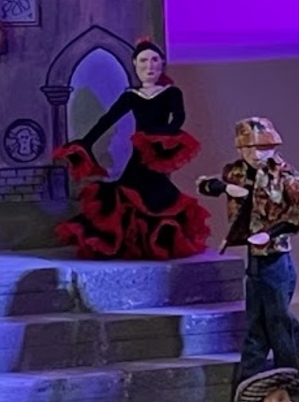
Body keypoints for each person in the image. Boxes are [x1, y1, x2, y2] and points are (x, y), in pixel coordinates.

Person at [198, 118, 299, 402]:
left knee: (279, 326)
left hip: (276, 258)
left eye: (262, 148)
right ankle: (244, 396)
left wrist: (271, 233)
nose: (256, 154)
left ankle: (296, 393)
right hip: (255, 259)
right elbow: (205, 185)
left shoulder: (283, 175)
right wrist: (225, 187)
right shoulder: (235, 172)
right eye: (249, 148)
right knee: (255, 328)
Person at [52, 39, 209, 260]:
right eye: (143, 61)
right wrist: (86, 141)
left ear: (162, 63)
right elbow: (108, 119)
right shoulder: (131, 96)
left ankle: (157, 243)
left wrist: (163, 136)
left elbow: (178, 118)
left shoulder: (171, 92)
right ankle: (131, 244)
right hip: (140, 152)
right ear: (135, 64)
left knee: (155, 194)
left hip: (156, 151)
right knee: (130, 193)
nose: (149, 66)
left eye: (154, 60)